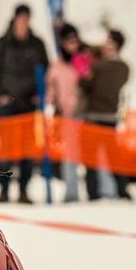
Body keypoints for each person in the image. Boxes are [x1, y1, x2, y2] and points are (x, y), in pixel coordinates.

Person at [0, 4, 49, 203]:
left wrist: (40, 95)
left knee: (27, 150)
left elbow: (46, 71)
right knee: (5, 149)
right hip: (7, 104)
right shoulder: (1, 44)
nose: (23, 22)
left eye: (26, 18)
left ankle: (23, 190)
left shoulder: (37, 44)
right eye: (20, 18)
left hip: (29, 104)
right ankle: (4, 189)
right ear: (15, 19)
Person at [80, 29, 131, 200]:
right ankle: (121, 190)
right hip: (109, 116)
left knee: (95, 159)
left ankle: (95, 193)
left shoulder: (104, 67)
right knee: (111, 157)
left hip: (97, 116)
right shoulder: (123, 68)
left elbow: (88, 83)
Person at [45, 23, 84, 202]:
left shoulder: (82, 61)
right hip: (66, 117)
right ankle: (72, 192)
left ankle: (99, 191)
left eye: (75, 41)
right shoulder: (57, 66)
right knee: (70, 155)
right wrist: (48, 101)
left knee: (89, 154)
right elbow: (50, 91)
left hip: (84, 115)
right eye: (69, 41)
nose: (72, 45)